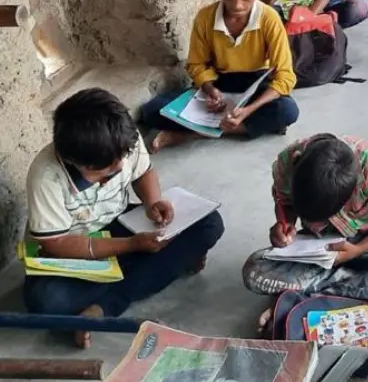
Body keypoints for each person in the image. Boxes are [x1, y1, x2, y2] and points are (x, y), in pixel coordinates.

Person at [23, 89, 225, 348]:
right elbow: (57, 244)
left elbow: (144, 172)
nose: (119, 168)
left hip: (121, 224)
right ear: (74, 161)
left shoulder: (121, 140)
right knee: (46, 302)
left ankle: (105, 303)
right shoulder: (46, 176)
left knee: (209, 224)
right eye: (107, 170)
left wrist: (153, 202)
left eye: (121, 160)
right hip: (73, 247)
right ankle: (145, 276)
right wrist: (133, 246)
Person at [243, 133, 368, 321]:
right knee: (253, 271)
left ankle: (307, 295)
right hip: (318, 248)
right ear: (296, 162)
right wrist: (283, 224)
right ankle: (355, 293)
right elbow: (284, 203)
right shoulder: (286, 163)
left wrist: (357, 250)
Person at [142, 0, 299, 152]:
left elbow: (285, 76)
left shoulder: (269, 19)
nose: (237, 5)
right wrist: (210, 91)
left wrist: (248, 109)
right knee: (153, 111)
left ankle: (190, 134)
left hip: (255, 85)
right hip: (221, 83)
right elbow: (197, 65)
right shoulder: (205, 18)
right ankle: (248, 126)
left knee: (288, 110)